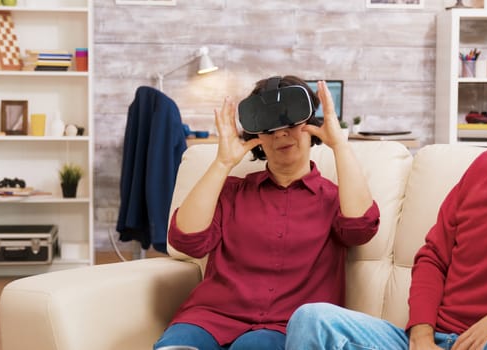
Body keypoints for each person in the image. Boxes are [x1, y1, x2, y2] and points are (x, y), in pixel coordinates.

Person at [285, 68, 487, 350]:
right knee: (311, 319)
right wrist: (421, 335)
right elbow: (433, 257)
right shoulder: (484, 167)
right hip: (430, 340)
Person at [153, 75, 380, 350]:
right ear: (258, 136)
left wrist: (340, 145)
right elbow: (185, 240)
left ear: (310, 126)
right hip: (210, 318)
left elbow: (360, 229)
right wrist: (223, 162)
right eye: (270, 128)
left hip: (284, 328)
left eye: (291, 124)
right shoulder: (232, 192)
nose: (281, 134)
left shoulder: (335, 199)